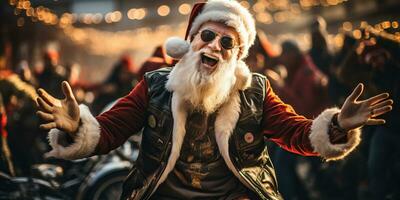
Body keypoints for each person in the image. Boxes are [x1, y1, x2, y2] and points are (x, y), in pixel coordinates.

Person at [36, 1, 393, 199]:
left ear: (237, 55)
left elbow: (297, 134)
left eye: (227, 43)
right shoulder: (156, 85)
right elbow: (110, 132)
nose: (214, 46)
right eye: (208, 35)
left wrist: (335, 126)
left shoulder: (256, 91)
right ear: (191, 41)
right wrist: (78, 128)